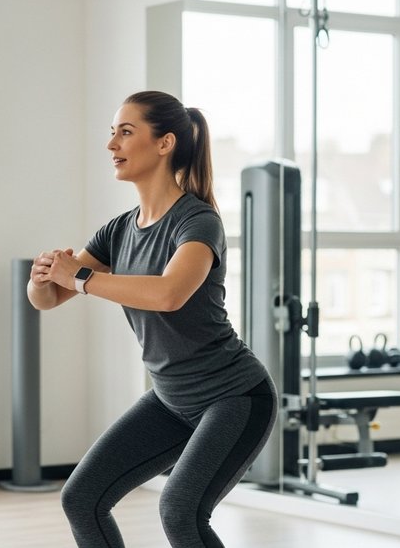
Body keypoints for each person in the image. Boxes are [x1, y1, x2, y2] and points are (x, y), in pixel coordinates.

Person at [28, 90, 277, 548]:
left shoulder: (197, 222)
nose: (112, 145)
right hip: (170, 399)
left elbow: (169, 294)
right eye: (112, 133)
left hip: (234, 397)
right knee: (82, 497)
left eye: (126, 132)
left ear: (164, 144)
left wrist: (79, 276)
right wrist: (45, 275)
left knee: (180, 511)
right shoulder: (119, 229)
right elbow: (47, 299)